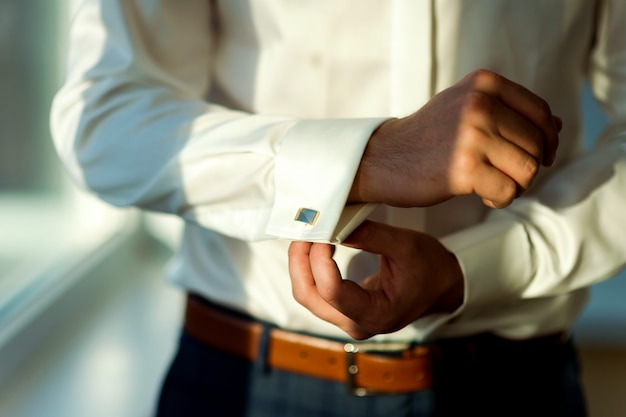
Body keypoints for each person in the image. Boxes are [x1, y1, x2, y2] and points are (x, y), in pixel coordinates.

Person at [50, 1, 625, 416]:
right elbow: (105, 119)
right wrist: (372, 158)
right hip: (240, 381)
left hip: (514, 385)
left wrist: (475, 269)